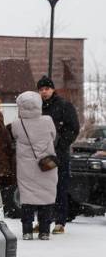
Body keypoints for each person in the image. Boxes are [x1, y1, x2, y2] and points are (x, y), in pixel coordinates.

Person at [12, 91, 58, 240]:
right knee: (46, 198)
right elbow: (53, 136)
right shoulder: (48, 121)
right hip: (46, 165)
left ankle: (27, 231)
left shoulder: (17, 124)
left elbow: (15, 136)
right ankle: (44, 231)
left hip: (26, 168)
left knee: (27, 198)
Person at [38, 76, 80, 233]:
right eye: (41, 90)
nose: (44, 92)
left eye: (46, 89)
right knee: (43, 188)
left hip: (59, 155)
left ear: (53, 89)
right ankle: (44, 221)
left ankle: (60, 222)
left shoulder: (64, 106)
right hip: (42, 155)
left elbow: (73, 128)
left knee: (60, 187)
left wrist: (60, 145)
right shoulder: (38, 107)